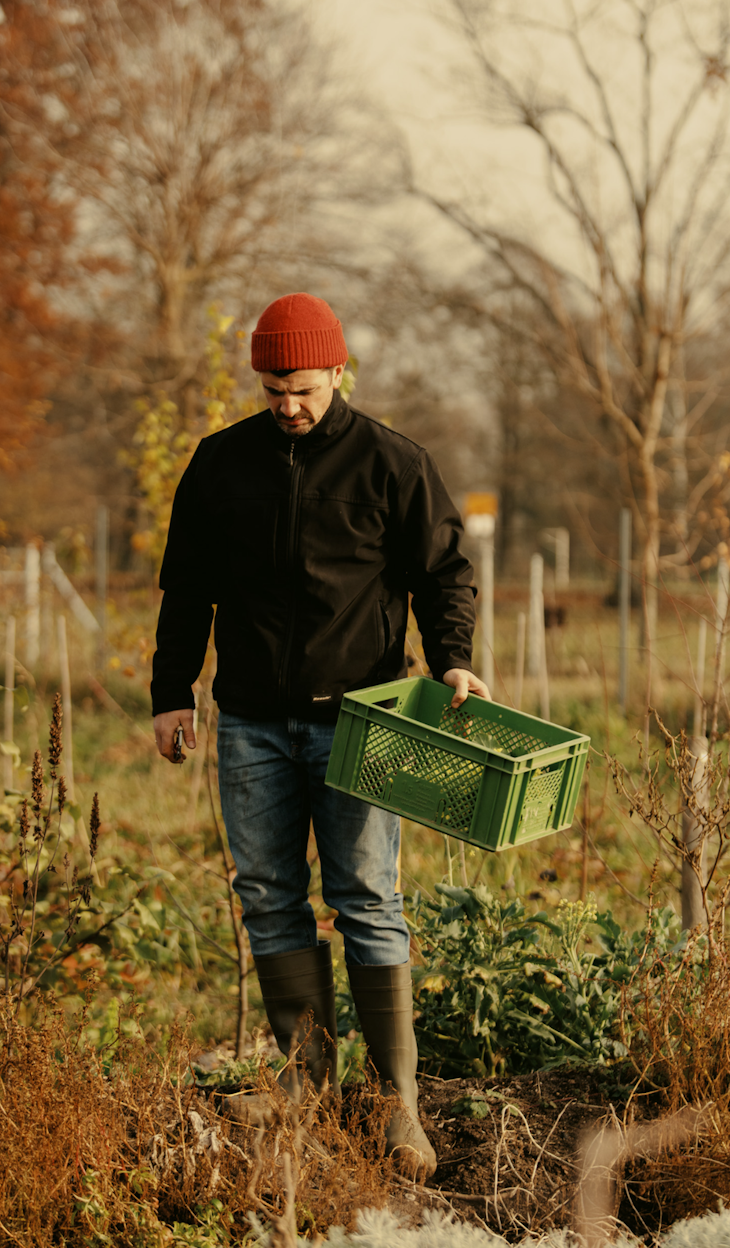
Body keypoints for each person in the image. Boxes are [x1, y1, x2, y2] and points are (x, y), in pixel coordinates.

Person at [148, 292, 487, 1179]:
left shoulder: (391, 463)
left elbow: (447, 571)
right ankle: (306, 1077)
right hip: (253, 718)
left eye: (300, 387)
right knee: (266, 890)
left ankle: (394, 1101)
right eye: (271, 390)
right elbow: (186, 588)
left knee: (368, 896)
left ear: (338, 371)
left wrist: (454, 660)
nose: (287, 405)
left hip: (363, 721)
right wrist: (170, 691)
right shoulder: (220, 465)